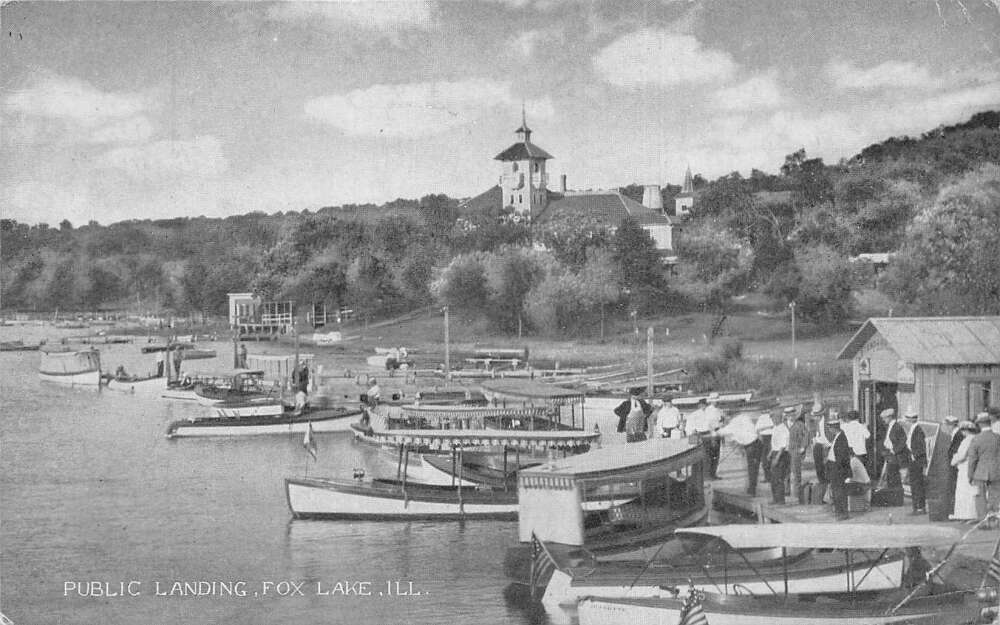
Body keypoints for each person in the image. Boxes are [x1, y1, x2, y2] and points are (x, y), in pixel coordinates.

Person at [967, 407, 1000, 528]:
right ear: (990, 422)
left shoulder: (976, 439)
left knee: (979, 497)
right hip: (996, 472)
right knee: (995, 496)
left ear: (980, 424)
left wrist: (970, 475)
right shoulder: (998, 438)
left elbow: (972, 460)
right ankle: (995, 521)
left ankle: (983, 521)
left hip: (980, 473)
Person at [717, 412, 761, 496]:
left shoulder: (733, 423)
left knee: (752, 469)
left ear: (729, 417)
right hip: (756, 443)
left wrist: (714, 432)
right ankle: (752, 488)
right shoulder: (744, 417)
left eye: (725, 419)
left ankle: (752, 490)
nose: (725, 421)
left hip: (751, 446)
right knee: (753, 469)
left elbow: (722, 432)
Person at [950, 419, 980, 522]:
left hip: (965, 467)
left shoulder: (967, 440)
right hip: (973, 467)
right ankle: (972, 514)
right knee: (971, 491)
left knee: (964, 491)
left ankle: (966, 515)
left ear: (965, 430)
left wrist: (953, 461)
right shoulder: (976, 438)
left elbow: (961, 455)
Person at [824, 414, 852, 520]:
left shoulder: (841, 438)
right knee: (836, 491)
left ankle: (842, 513)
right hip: (834, 467)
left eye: (830, 428)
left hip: (838, 469)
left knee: (839, 491)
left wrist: (839, 470)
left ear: (834, 428)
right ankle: (839, 511)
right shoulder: (838, 437)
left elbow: (841, 457)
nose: (829, 430)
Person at [903, 406, 927, 515]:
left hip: (916, 461)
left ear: (912, 419)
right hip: (913, 460)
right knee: (915, 484)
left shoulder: (917, 430)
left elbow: (920, 447)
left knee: (917, 484)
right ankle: (917, 507)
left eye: (908, 419)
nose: (907, 421)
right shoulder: (913, 429)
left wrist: (913, 455)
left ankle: (919, 507)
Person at [881, 407, 908, 491]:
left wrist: (894, 450)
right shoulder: (890, 426)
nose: (883, 420)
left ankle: (895, 494)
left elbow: (903, 441)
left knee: (893, 476)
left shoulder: (897, 427)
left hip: (895, 456)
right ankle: (893, 493)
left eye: (884, 418)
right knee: (890, 476)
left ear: (890, 417)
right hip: (890, 454)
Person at [768, 409, 791, 504]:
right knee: (773, 478)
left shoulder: (783, 429)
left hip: (781, 454)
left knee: (779, 478)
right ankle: (775, 498)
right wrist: (770, 453)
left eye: (774, 418)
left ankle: (780, 500)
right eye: (772, 418)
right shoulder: (775, 428)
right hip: (775, 452)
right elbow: (774, 443)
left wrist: (777, 458)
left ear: (779, 418)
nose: (773, 420)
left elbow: (783, 445)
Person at [942, 415, 963, 517]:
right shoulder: (955, 434)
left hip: (955, 465)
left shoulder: (958, 435)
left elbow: (956, 451)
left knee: (953, 487)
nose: (945, 428)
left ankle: (952, 510)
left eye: (946, 425)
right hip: (954, 465)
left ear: (951, 425)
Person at [788, 406, 810, 500]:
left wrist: (803, 447)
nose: (791, 417)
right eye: (789, 415)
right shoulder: (784, 424)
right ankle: (786, 491)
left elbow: (806, 435)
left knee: (796, 472)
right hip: (784, 450)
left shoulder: (800, 424)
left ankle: (797, 493)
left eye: (792, 415)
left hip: (795, 450)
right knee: (785, 472)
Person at [810, 402, 830, 499]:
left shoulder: (827, 422)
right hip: (818, 445)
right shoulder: (816, 423)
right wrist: (814, 440)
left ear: (821, 414)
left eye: (817, 415)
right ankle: (822, 485)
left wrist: (829, 445)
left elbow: (831, 435)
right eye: (815, 415)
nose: (816, 417)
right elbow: (816, 434)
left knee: (827, 467)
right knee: (819, 467)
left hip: (827, 446)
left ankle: (827, 489)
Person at [755, 411, 775, 484]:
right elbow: (757, 429)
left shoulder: (771, 417)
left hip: (771, 437)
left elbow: (774, 426)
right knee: (764, 459)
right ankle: (767, 477)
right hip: (764, 438)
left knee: (770, 458)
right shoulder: (761, 417)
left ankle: (771, 477)